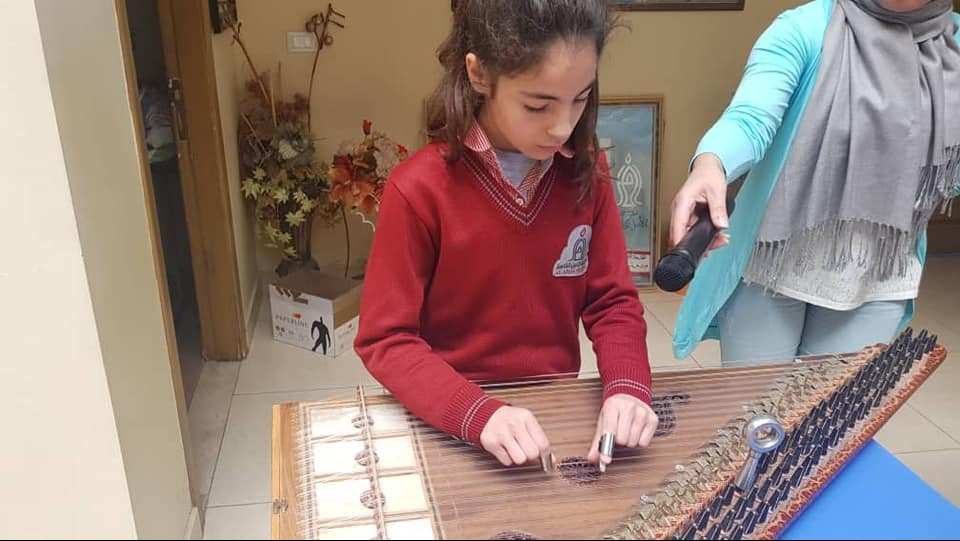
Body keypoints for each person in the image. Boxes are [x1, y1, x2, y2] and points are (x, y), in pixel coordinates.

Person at [355, 0, 658, 469]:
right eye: (538, 104)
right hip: (451, 417)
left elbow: (611, 301)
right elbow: (387, 339)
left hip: (555, 411)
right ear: (479, 74)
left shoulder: (585, 172)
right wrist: (478, 414)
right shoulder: (418, 190)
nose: (563, 126)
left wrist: (627, 387)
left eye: (581, 98)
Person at [669, 0, 960, 365]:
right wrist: (711, 164)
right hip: (770, 266)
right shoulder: (805, 27)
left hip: (876, 278)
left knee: (829, 418)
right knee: (756, 416)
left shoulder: (954, 45)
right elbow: (750, 117)